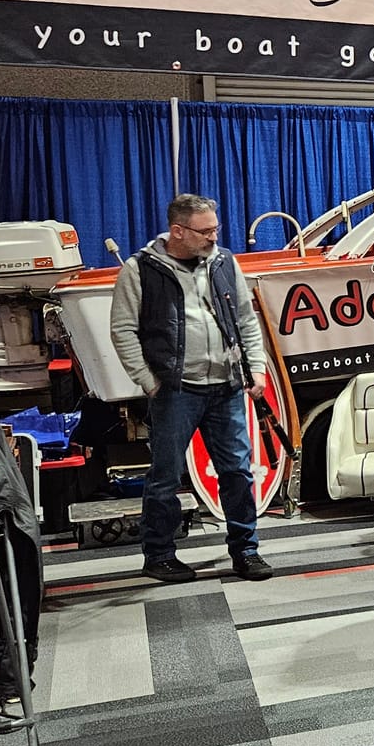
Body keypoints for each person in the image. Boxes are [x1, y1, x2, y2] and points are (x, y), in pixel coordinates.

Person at [110, 194, 274, 584]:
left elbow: (246, 320)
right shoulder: (140, 269)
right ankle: (159, 555)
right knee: (165, 476)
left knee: (237, 472)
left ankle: (246, 551)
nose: (214, 237)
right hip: (175, 391)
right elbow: (122, 330)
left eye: (216, 228)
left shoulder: (223, 261)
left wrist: (256, 368)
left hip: (226, 386)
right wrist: (148, 381)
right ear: (178, 231)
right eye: (206, 231)